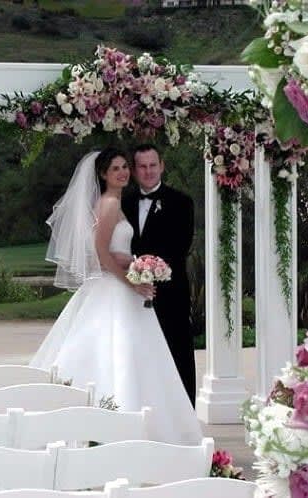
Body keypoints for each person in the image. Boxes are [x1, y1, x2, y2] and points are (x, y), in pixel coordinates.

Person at [30, 147, 202, 445]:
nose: (125, 172)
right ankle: (117, 427)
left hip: (153, 292)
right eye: (118, 168)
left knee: (152, 360)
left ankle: (160, 427)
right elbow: (100, 252)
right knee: (114, 352)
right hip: (120, 290)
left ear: (162, 166)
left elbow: (174, 248)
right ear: (103, 174)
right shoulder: (112, 203)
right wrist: (132, 279)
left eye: (125, 167)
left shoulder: (170, 202)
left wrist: (135, 265)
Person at [122, 144, 196, 406]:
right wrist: (133, 276)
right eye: (142, 166)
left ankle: (184, 414)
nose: (148, 171)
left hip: (171, 293)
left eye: (153, 165)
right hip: (130, 294)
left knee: (177, 355)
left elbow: (180, 247)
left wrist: (149, 270)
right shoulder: (122, 202)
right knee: (138, 357)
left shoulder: (181, 202)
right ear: (134, 171)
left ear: (162, 166)